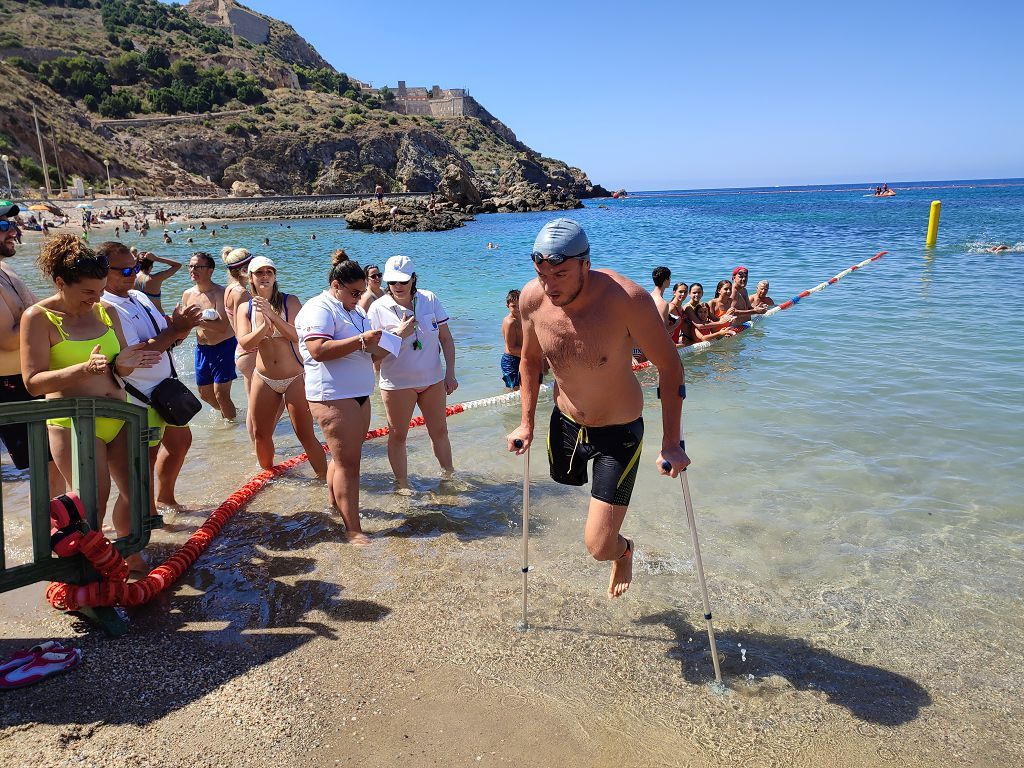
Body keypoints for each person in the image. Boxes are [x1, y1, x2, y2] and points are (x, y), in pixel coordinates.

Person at [507, 219, 689, 599]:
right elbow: (528, 361)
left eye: (560, 273)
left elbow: (670, 366)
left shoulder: (627, 300)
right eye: (541, 273)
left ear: (585, 265)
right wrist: (526, 423)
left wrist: (672, 441)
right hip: (567, 424)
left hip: (618, 432)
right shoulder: (532, 299)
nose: (549, 285)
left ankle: (624, 551)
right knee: (563, 484)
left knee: (598, 546)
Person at [20, 236, 161, 554]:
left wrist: (125, 365)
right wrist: (83, 370)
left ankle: (128, 556)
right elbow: (33, 382)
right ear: (60, 282)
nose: (95, 299)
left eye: (99, 291)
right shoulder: (38, 318)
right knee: (91, 502)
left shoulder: (106, 310)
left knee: (136, 492)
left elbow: (118, 368)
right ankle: (86, 569)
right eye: (87, 292)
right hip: (73, 423)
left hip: (119, 416)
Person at [99, 242, 203, 535]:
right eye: (124, 270)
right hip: (138, 394)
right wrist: (175, 331)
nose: (133, 274)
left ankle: (164, 498)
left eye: (135, 266)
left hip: (163, 387)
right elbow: (138, 354)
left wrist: (181, 328)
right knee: (144, 461)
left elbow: (163, 337)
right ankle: (148, 518)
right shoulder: (105, 306)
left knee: (180, 443)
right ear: (102, 272)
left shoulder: (137, 297)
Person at [296, 254, 387, 544]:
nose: (360, 297)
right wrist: (362, 341)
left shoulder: (356, 311)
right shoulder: (318, 308)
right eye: (355, 292)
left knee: (342, 458)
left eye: (362, 292)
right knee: (350, 464)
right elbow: (318, 350)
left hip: (358, 394)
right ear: (336, 285)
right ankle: (353, 530)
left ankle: (335, 507)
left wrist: (395, 340)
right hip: (333, 395)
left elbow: (367, 351)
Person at [367, 254, 458, 492]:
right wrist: (398, 334)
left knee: (440, 431)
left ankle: (449, 477)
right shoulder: (377, 308)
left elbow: (446, 339)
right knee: (398, 436)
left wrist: (451, 373)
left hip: (433, 380)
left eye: (403, 281)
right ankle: (403, 485)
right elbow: (372, 357)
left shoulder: (429, 299)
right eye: (392, 282)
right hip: (397, 384)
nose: (397, 287)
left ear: (413, 279)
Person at [236, 257, 327, 479]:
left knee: (304, 434)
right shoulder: (245, 307)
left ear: (275, 276)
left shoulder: (290, 302)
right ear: (251, 278)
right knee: (260, 434)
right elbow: (245, 343)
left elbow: (298, 336)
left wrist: (272, 316)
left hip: (294, 376)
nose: (265, 276)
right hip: (264, 377)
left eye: (269, 272)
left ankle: (324, 480)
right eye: (259, 273)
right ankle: (269, 478)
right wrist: (263, 327)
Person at [181, 252, 237, 419]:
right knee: (205, 394)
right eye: (191, 266)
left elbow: (221, 327)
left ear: (210, 271)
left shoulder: (220, 293)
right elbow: (185, 324)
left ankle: (231, 431)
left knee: (221, 394)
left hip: (224, 346)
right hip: (202, 349)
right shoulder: (188, 294)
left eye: (198, 266)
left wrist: (194, 321)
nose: (193, 270)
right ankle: (230, 414)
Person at [221, 246, 263, 442]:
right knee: (257, 407)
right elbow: (242, 330)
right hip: (250, 351)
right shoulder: (242, 294)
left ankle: (256, 447)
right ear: (246, 269)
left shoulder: (230, 289)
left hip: (242, 353)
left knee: (253, 404)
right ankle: (259, 444)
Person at [501, 289, 525, 390]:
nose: (518, 309)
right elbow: (511, 349)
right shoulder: (510, 322)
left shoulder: (525, 318)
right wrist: (533, 354)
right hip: (511, 360)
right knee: (513, 390)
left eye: (519, 305)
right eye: (514, 306)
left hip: (522, 356)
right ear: (507, 306)